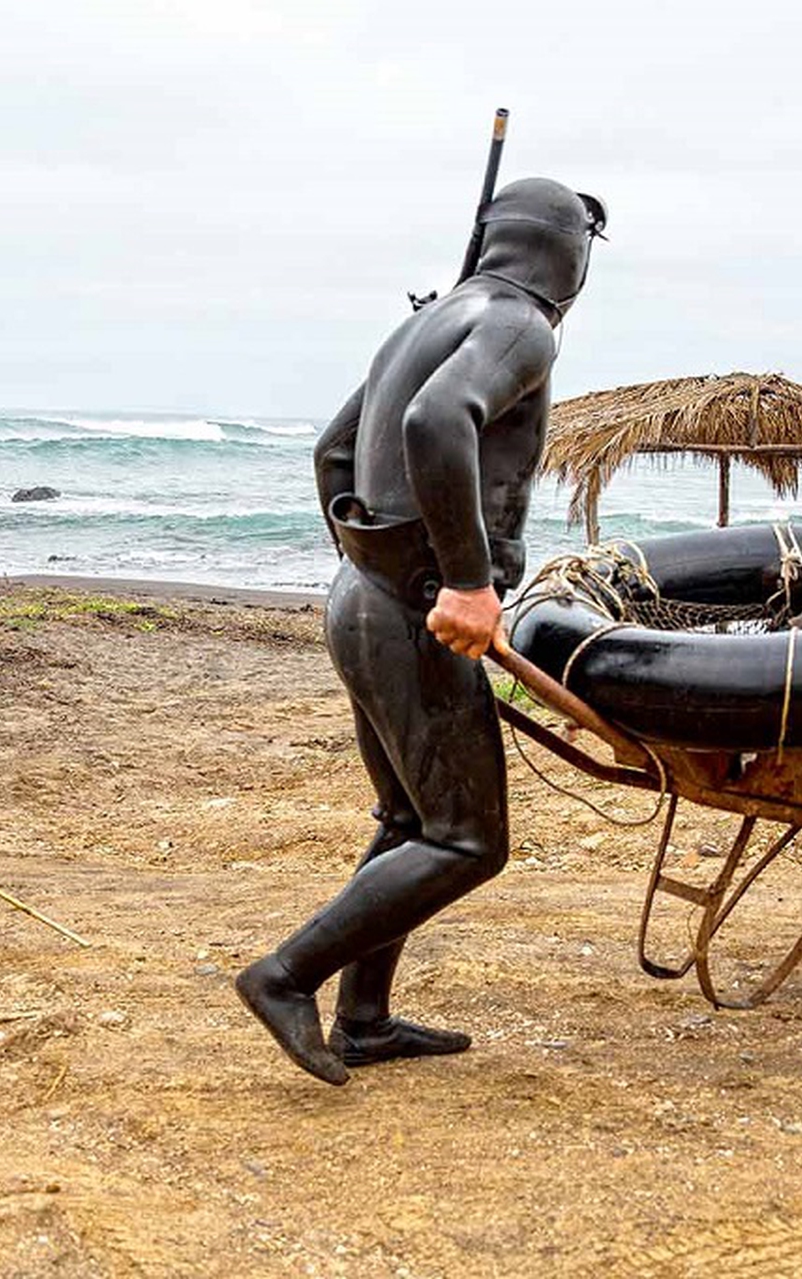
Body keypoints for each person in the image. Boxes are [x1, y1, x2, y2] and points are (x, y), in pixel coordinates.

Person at [237, 178, 605, 1084]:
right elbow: (440, 419)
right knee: (467, 840)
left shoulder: (427, 320)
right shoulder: (522, 323)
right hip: (412, 609)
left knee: (410, 818)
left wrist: (371, 555)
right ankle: (286, 977)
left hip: (363, 598)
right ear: (570, 253)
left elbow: (333, 450)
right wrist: (466, 583)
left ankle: (364, 1017)